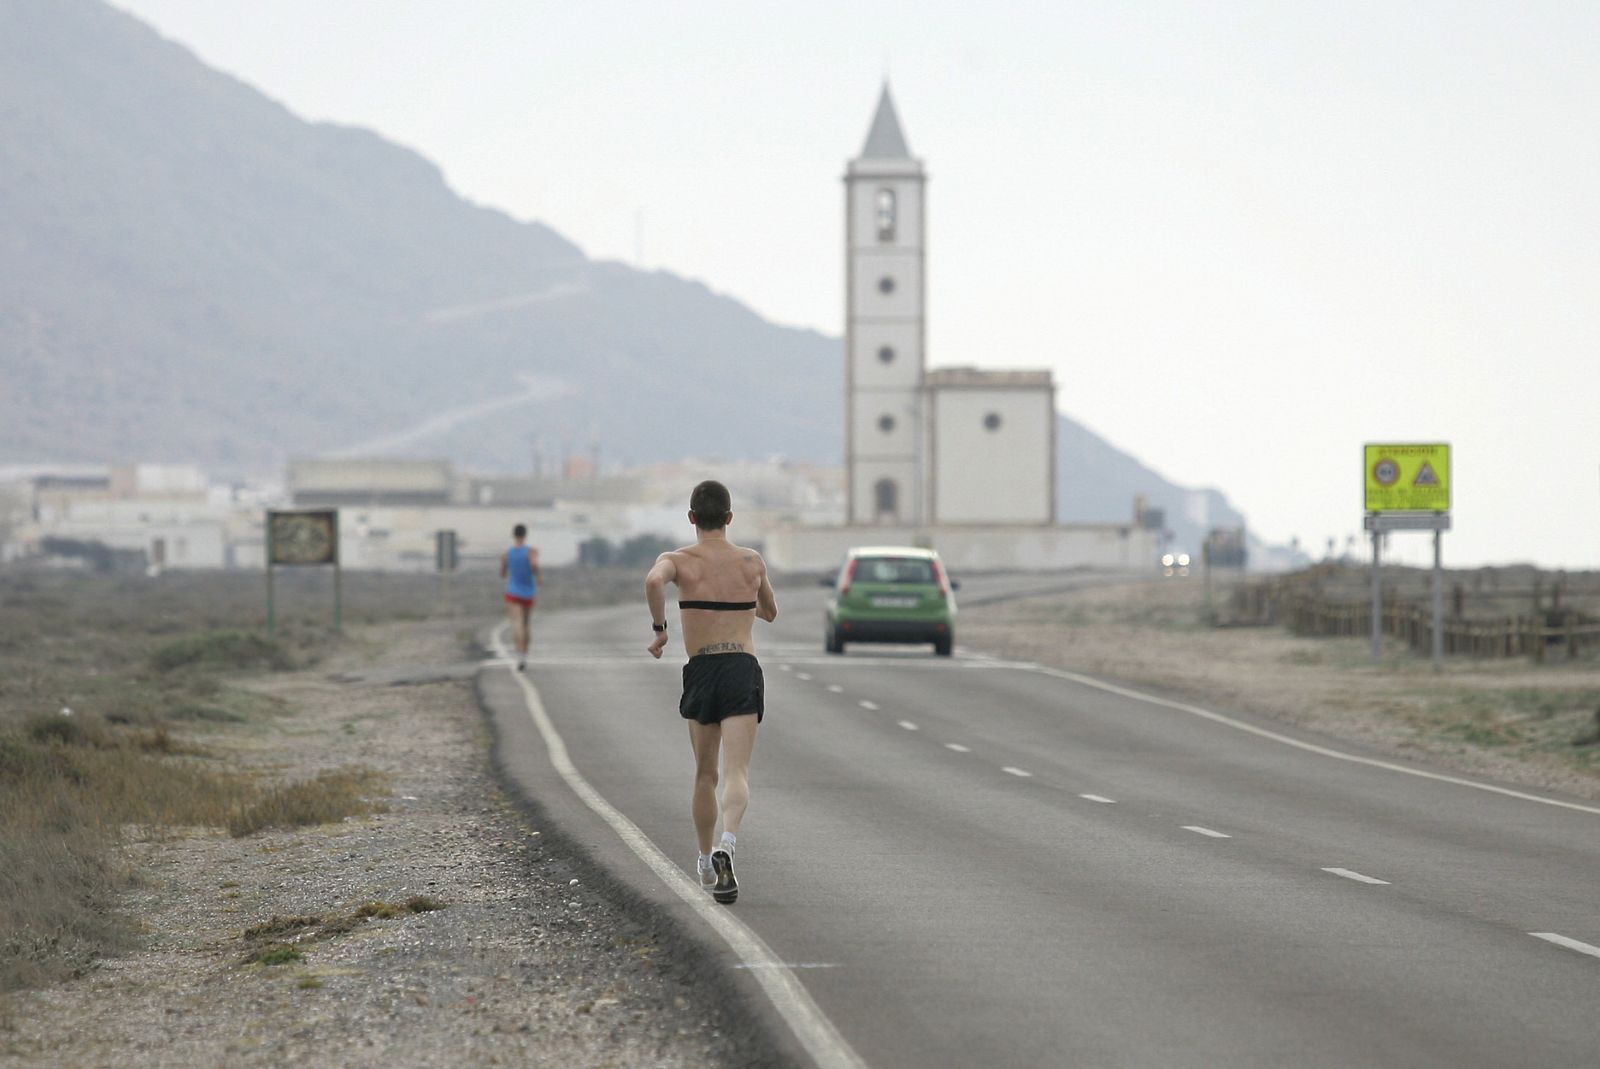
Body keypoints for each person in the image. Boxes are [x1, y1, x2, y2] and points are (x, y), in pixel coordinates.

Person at [644, 480, 777, 904]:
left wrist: (661, 630)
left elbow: (652, 582)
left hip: (701, 670)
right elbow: (770, 612)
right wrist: (738, 601)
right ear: (730, 518)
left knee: (705, 774)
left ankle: (704, 860)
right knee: (737, 773)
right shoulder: (750, 561)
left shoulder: (678, 561)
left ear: (692, 518)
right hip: (740, 665)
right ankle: (728, 844)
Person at [500, 524, 540, 670]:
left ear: (514, 535)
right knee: (526, 624)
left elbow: (503, 573)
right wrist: (537, 575)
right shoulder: (531, 551)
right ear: (525, 535)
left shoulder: (507, 553)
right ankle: (525, 654)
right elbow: (535, 566)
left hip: (513, 592)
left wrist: (507, 566)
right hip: (528, 592)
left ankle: (520, 656)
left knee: (517, 624)